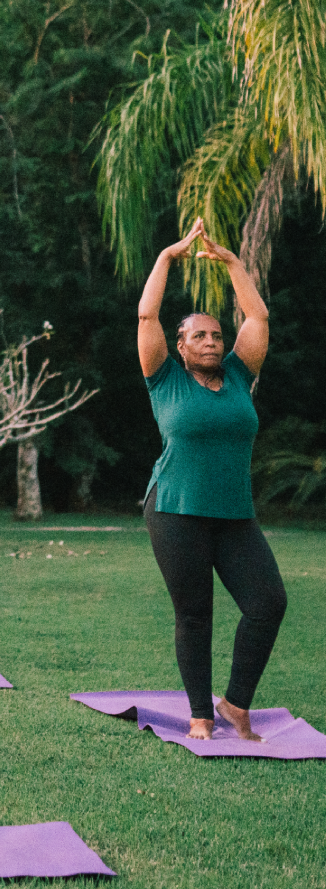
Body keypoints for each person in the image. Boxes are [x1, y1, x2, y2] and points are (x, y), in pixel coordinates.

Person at [137, 216, 285, 742]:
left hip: (234, 514)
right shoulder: (165, 379)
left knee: (268, 604)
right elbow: (147, 311)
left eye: (216, 335)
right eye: (198, 335)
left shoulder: (241, 375)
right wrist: (168, 257)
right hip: (175, 508)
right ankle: (200, 713)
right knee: (195, 615)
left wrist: (231, 263)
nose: (210, 342)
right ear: (180, 346)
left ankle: (236, 704)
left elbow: (258, 315)